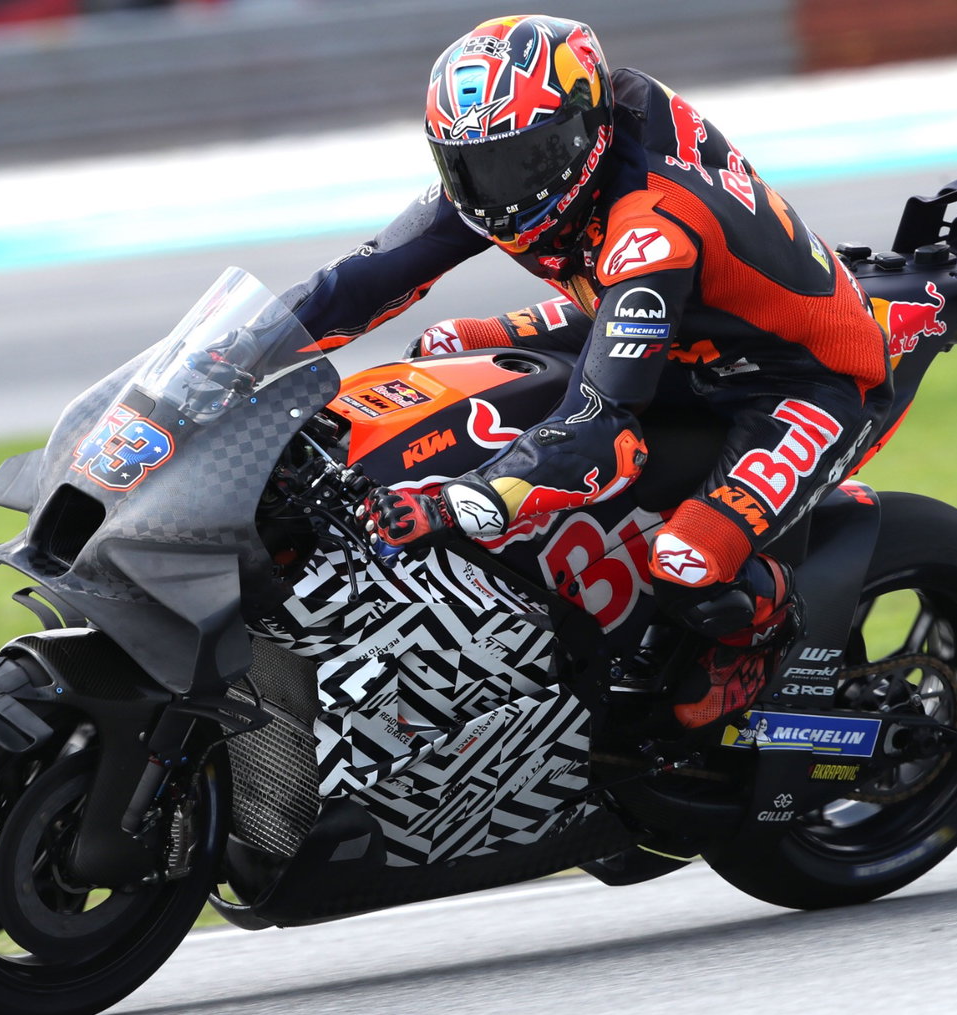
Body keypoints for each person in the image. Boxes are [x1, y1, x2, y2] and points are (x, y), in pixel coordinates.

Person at [279, 14, 892, 729]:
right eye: (476, 165)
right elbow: (351, 286)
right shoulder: (503, 184)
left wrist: (454, 503)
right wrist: (228, 362)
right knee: (448, 345)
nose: (501, 191)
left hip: (796, 374)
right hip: (657, 320)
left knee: (688, 561)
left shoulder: (652, 222)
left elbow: (600, 431)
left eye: (528, 159)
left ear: (584, 130)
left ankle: (772, 629)